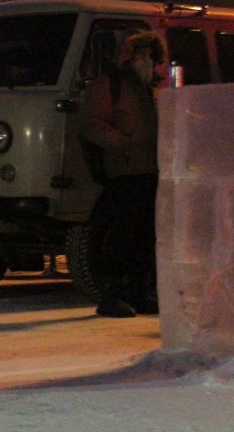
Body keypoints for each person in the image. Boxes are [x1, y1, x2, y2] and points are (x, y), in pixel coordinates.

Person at [80, 31, 164, 319]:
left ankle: (139, 293)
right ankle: (114, 293)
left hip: (150, 171)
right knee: (122, 235)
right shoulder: (111, 86)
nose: (151, 64)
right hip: (124, 173)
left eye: (152, 58)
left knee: (143, 236)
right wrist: (123, 143)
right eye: (146, 57)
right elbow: (92, 123)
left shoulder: (150, 90)